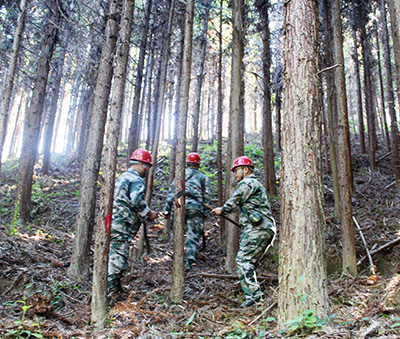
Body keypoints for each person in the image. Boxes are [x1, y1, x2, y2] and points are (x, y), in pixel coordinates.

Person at [212, 156, 276, 308]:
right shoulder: (256, 184)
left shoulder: (248, 182)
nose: (234, 174)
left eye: (236, 170)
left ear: (245, 170)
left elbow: (236, 200)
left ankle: (254, 295)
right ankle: (255, 294)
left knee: (243, 260)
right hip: (264, 228)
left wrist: (223, 209)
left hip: (258, 229)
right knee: (249, 261)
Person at [108, 148, 158, 294]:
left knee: (114, 252)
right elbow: (137, 200)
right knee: (118, 255)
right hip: (122, 223)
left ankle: (114, 287)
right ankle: (110, 291)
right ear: (143, 165)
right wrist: (150, 213)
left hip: (114, 221)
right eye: (147, 167)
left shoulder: (121, 178)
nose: (147, 170)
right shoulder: (136, 180)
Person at [163, 152, 212, 270]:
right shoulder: (203, 177)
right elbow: (207, 196)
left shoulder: (179, 176)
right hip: (196, 208)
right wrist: (205, 212)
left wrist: (166, 210)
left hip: (180, 207)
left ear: (187, 163)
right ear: (198, 165)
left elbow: (171, 194)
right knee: (193, 234)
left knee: (176, 232)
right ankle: (189, 260)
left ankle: (177, 256)